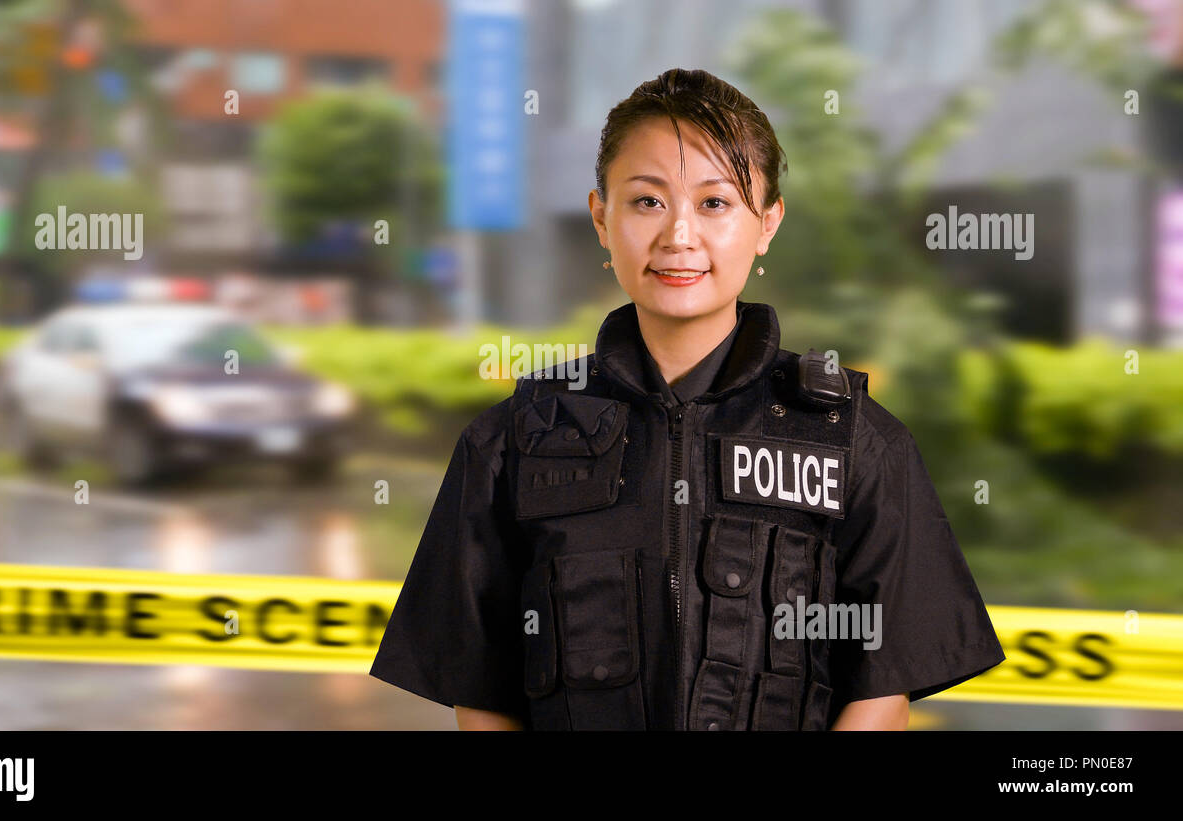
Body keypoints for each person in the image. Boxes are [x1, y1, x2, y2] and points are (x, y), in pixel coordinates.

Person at [369, 68, 1005, 731]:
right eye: (647, 201)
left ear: (767, 223)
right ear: (601, 217)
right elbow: (481, 691)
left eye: (715, 203)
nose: (679, 235)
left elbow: (882, 690)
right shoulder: (512, 441)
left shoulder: (854, 438)